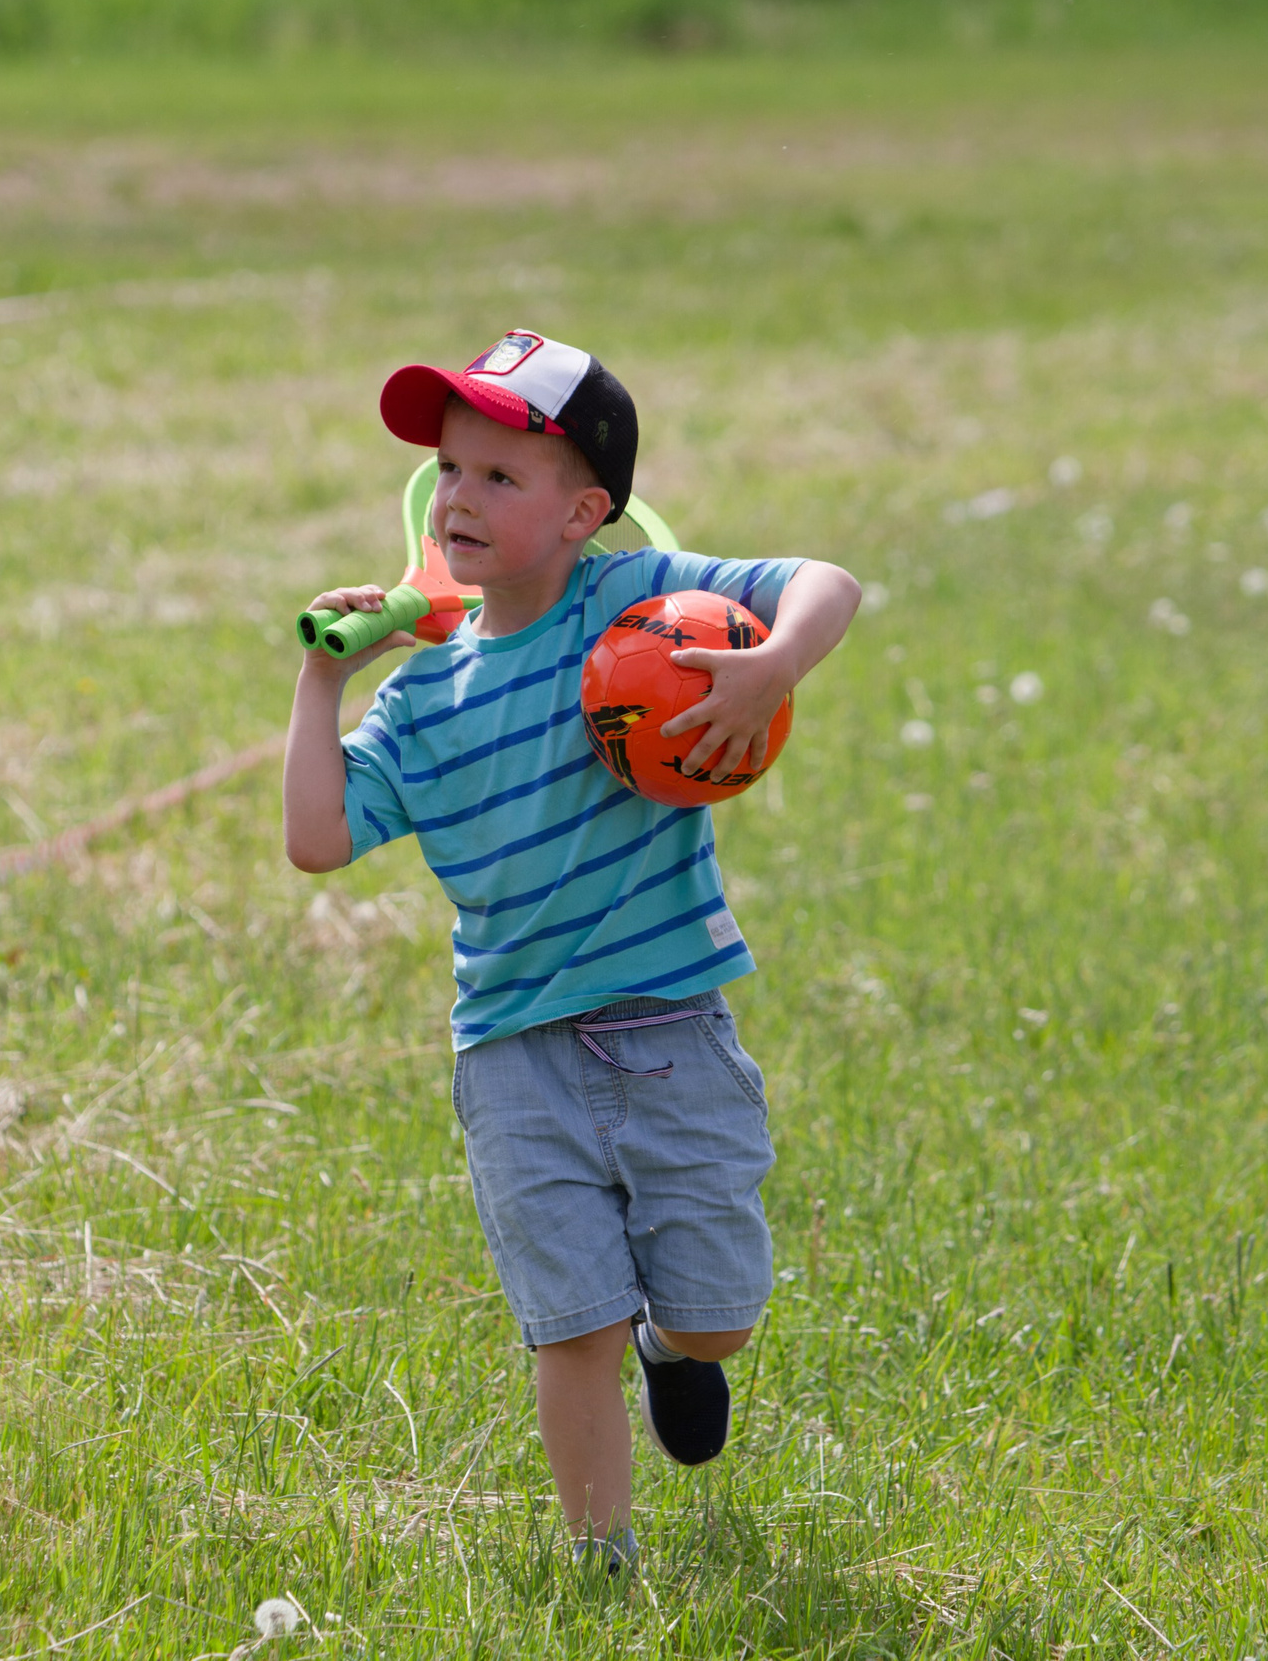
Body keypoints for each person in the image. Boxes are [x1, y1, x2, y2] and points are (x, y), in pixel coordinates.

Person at [283, 330, 861, 1574]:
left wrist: (768, 667)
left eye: (502, 477)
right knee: (571, 1326)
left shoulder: (638, 601)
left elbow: (830, 581)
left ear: (587, 511)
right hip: (511, 1053)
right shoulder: (423, 700)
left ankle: (679, 1352)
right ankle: (603, 1561)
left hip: (667, 1027)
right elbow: (318, 840)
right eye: (449, 472)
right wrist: (318, 690)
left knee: (714, 1319)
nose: (458, 501)